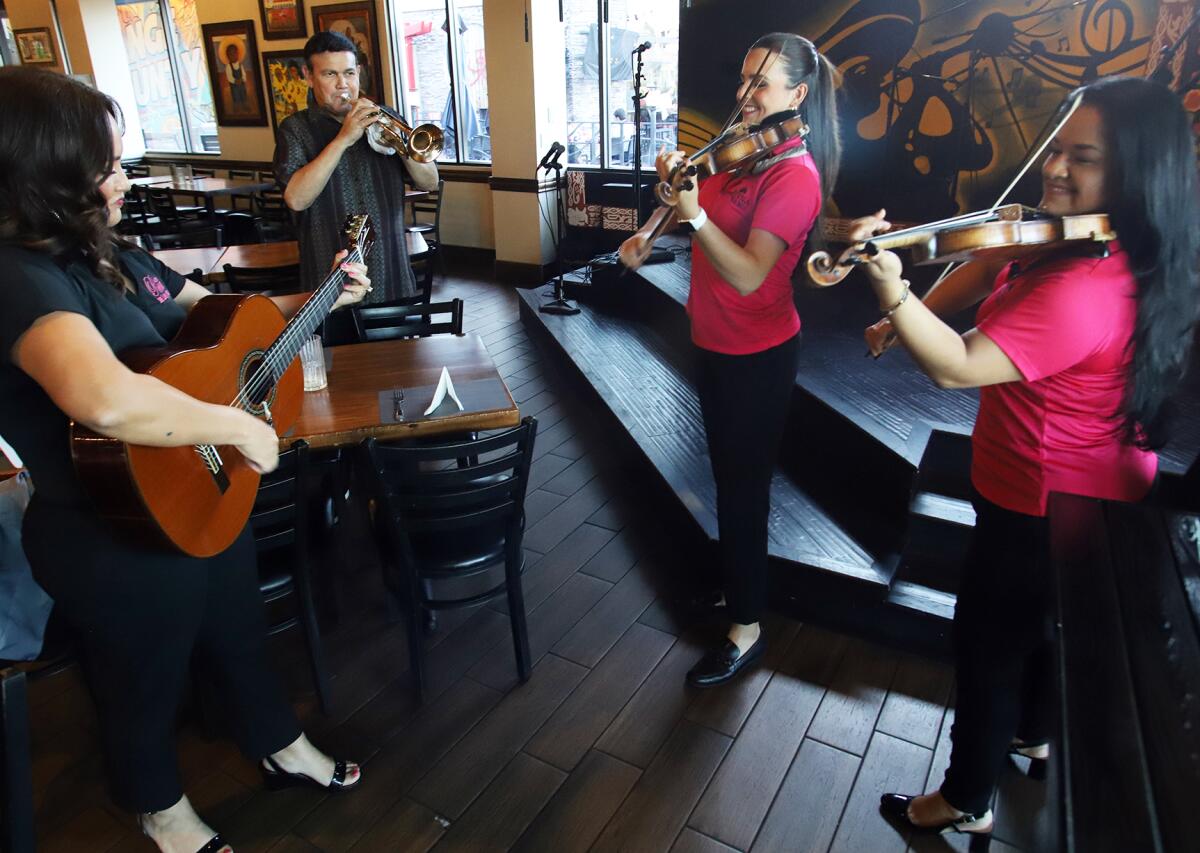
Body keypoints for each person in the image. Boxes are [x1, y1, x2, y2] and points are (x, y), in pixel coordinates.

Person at [0, 67, 372, 853]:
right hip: (103, 526)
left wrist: (319, 297)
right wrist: (235, 429)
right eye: (105, 166)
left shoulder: (110, 252)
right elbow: (104, 398)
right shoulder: (18, 277)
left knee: (238, 627)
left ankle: (276, 740)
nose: (120, 178)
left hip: (192, 483)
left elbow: (215, 316)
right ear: (45, 175)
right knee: (146, 672)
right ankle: (156, 804)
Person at [852, 76, 1200, 845]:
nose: (1056, 170)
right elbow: (990, 259)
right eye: (1056, 149)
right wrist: (918, 309)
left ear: (1137, 170)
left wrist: (893, 294)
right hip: (1097, 490)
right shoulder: (1109, 240)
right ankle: (1033, 737)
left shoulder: (1083, 293)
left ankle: (967, 797)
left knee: (987, 644)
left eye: (1084, 157)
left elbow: (955, 367)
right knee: (1042, 628)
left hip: (1038, 496)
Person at [619, 32, 841, 688]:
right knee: (726, 480)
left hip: (757, 356)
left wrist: (692, 219)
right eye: (744, 79)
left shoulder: (794, 177)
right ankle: (737, 588)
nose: (745, 95)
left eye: (763, 84)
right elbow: (687, 197)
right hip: (714, 344)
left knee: (744, 492)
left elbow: (747, 274)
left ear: (798, 95)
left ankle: (746, 630)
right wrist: (651, 228)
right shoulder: (740, 157)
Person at [274, 31, 440, 345]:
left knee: (396, 380)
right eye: (330, 74)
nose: (343, 84)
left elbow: (429, 181)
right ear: (309, 77)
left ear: (359, 73)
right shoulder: (295, 129)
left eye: (349, 73)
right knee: (339, 382)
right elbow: (296, 199)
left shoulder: (385, 118)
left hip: (391, 278)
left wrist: (398, 139)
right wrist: (344, 139)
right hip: (330, 290)